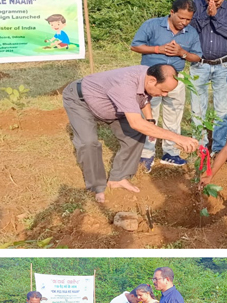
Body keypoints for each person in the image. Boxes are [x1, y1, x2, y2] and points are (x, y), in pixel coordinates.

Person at [62, 64, 200, 203]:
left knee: (136, 134)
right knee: (88, 143)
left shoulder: (147, 76)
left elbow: (144, 99)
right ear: (152, 81)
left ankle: (119, 178)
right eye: (163, 90)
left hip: (112, 105)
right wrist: (177, 138)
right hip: (81, 101)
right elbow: (136, 123)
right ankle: (97, 186)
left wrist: (150, 120)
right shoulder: (125, 83)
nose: (164, 95)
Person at [131, 0, 203, 170]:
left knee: (174, 115)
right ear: (172, 12)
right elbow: (135, 46)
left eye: (188, 19)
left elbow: (197, 57)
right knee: (150, 116)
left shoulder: (191, 33)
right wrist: (158, 49)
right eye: (181, 18)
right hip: (152, 82)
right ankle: (146, 153)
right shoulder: (152, 25)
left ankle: (170, 153)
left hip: (177, 81)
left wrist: (182, 53)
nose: (184, 22)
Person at [189, 0, 227, 154]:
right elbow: (192, 29)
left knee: (221, 108)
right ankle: (200, 145)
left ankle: (218, 148)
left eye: (217, 1)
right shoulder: (195, 5)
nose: (212, 4)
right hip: (199, 64)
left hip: (223, 64)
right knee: (197, 106)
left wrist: (216, 15)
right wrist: (206, 14)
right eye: (208, 0)